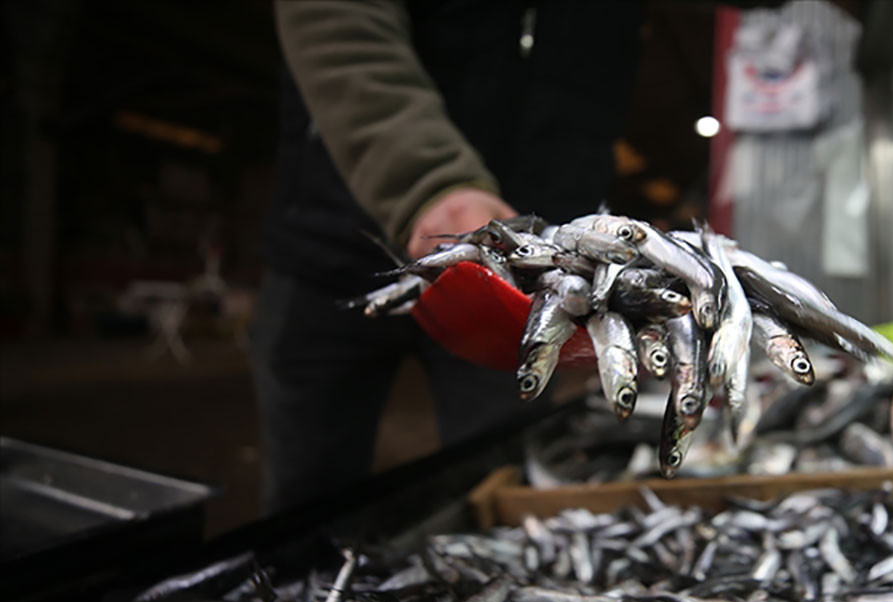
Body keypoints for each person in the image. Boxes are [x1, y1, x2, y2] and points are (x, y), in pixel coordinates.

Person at [254, 1, 642, 513]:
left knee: (493, 493)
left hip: (528, 290)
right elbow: (335, 20)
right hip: (336, 243)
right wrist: (428, 181)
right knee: (306, 502)